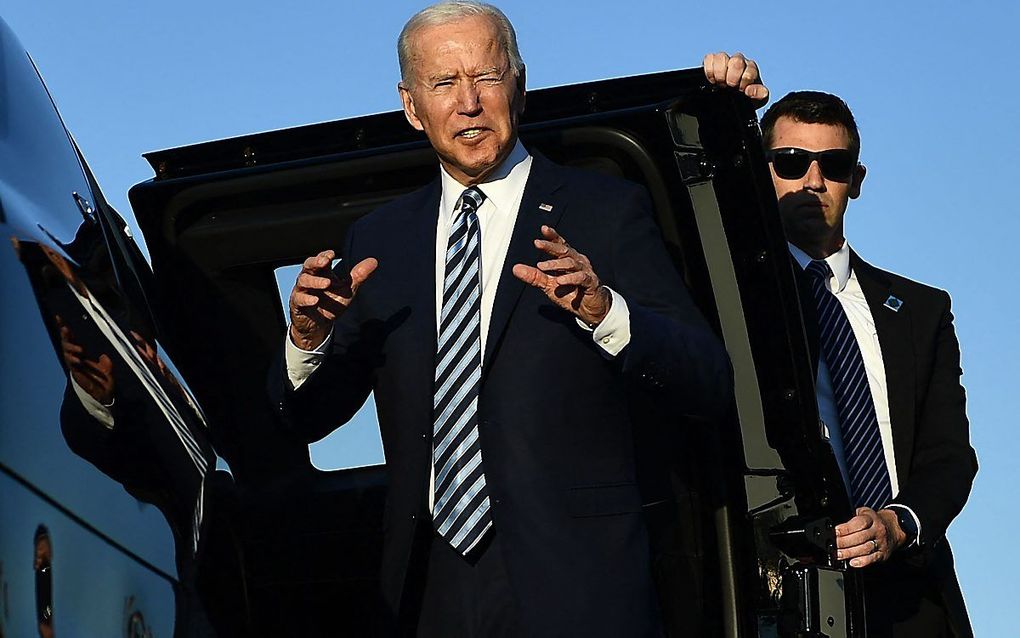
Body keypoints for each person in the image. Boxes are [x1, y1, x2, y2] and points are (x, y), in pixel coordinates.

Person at [274, 3, 764, 635]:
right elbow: (304, 418)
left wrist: (605, 311)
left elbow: (708, 380)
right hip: (428, 590)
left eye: (486, 76)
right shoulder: (381, 239)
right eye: (444, 83)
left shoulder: (606, 211)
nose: (469, 102)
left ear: (520, 85)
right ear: (410, 105)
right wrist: (306, 342)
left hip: (578, 585)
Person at [750, 87, 977, 637]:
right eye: (789, 162)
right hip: (786, 593)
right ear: (759, 173)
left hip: (910, 595)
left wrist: (900, 525)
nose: (812, 180)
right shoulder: (736, 304)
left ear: (857, 180)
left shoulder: (922, 310)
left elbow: (949, 456)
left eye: (834, 165)